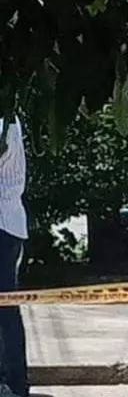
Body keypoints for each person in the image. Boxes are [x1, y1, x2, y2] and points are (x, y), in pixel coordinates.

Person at [0, 114, 29, 397]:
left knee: (5, 306)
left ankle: (14, 382)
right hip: (9, 223)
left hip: (2, 224)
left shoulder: (4, 121)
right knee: (5, 306)